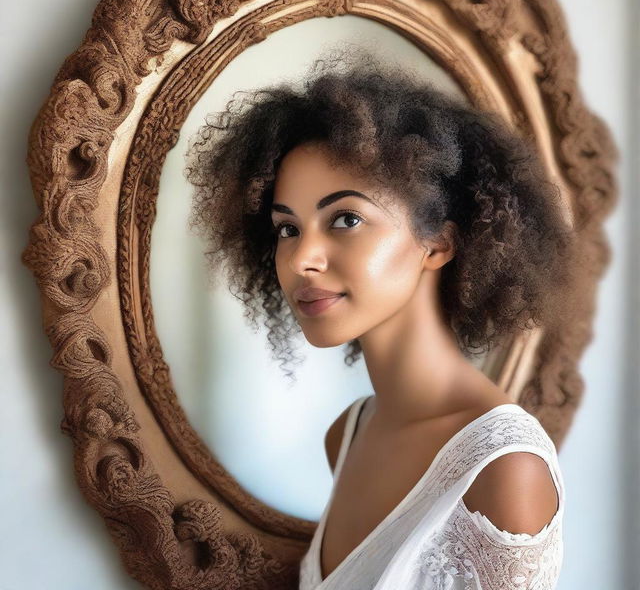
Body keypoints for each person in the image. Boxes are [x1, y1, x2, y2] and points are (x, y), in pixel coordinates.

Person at [184, 47, 580, 589]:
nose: (301, 259)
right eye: (287, 228)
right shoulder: (345, 436)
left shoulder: (504, 468)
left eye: (345, 218)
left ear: (438, 242)